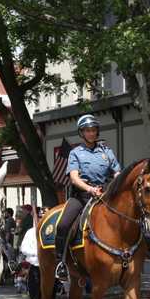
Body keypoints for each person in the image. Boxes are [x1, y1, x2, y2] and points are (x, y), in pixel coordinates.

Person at [55, 114, 121, 280]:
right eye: (87, 131)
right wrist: (90, 189)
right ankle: (60, 262)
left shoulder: (107, 152)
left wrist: (115, 185)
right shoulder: (75, 153)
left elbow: (117, 172)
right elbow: (74, 178)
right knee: (63, 225)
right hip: (82, 196)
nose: (91, 133)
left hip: (105, 195)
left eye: (93, 130)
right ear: (82, 133)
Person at [20, 226, 61, 299]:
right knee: (36, 296)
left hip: (51, 268)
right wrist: (39, 253)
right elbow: (24, 248)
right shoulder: (31, 231)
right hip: (36, 266)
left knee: (52, 295)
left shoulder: (56, 231)